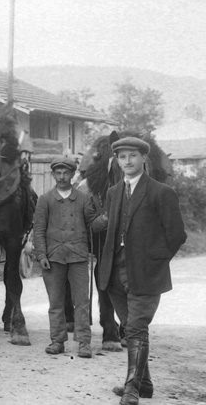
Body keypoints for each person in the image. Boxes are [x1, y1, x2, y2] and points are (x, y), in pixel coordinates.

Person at [91, 136, 186, 405]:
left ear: (144, 158)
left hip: (145, 274)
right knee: (131, 329)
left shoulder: (161, 192)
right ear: (117, 161)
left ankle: (132, 387)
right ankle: (144, 384)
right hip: (114, 275)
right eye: (122, 157)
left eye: (133, 155)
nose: (127, 161)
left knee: (136, 327)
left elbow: (177, 235)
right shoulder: (113, 193)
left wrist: (156, 261)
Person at [32, 156, 97, 358]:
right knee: (56, 302)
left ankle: (84, 342)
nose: (62, 177)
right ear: (53, 175)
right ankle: (57, 340)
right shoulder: (45, 200)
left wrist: (104, 218)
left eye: (66, 173)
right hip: (53, 257)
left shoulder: (84, 199)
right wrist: (42, 253)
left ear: (72, 174)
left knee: (82, 301)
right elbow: (39, 229)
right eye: (58, 173)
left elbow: (92, 225)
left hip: (78, 257)